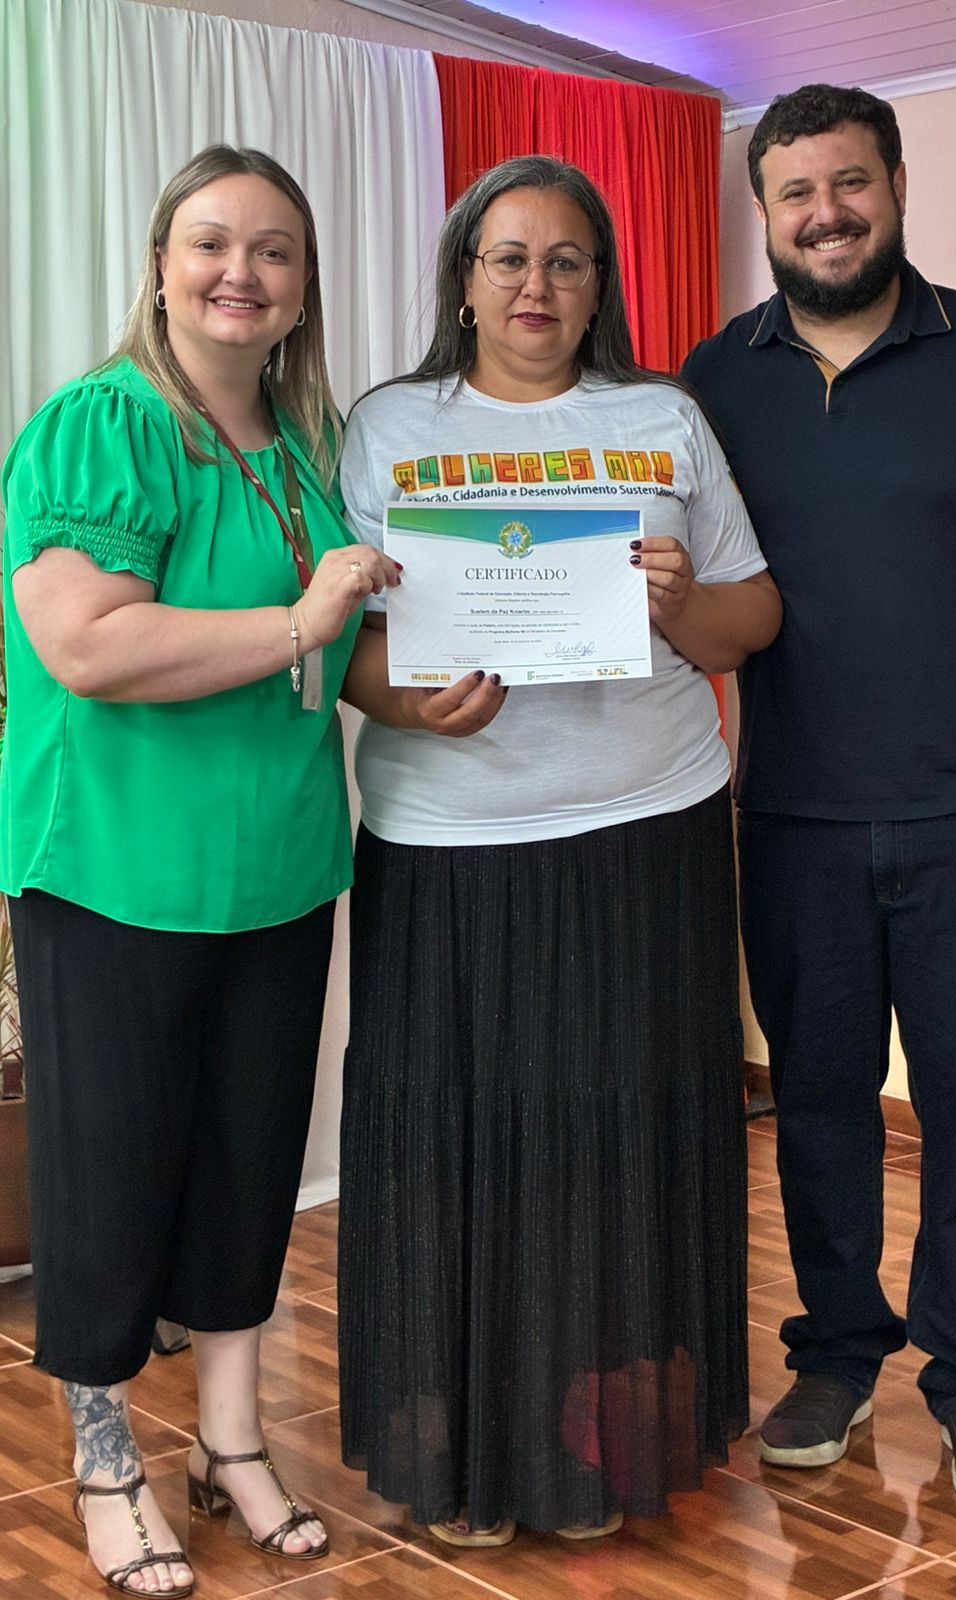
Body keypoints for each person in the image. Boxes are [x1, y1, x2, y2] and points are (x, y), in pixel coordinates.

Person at [682, 85, 956, 1508]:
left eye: (850, 183)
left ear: (896, 186)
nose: (827, 214)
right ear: (764, 213)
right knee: (817, 1110)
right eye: (796, 192)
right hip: (790, 822)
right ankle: (834, 1357)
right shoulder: (709, 383)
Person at [337, 154, 780, 1544]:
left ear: (600, 289)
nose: (538, 284)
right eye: (510, 258)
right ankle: (470, 1452)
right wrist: (407, 702)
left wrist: (680, 605)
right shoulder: (388, 425)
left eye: (568, 261)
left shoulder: (665, 419)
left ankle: (601, 1447)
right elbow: (348, 641)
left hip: (643, 835)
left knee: (616, 1142)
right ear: (464, 281)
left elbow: (751, 622)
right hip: (446, 842)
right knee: (458, 1148)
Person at [0, 145, 397, 1595]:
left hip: (278, 868)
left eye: (275, 249)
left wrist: (453, 688)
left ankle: (231, 1442)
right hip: (115, 870)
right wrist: (304, 622)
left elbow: (343, 652)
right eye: (212, 243)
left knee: (248, 1162)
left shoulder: (306, 446)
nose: (243, 271)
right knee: (110, 1174)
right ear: (161, 266)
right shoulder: (103, 424)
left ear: (303, 283)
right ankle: (106, 1461)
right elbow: (86, 645)